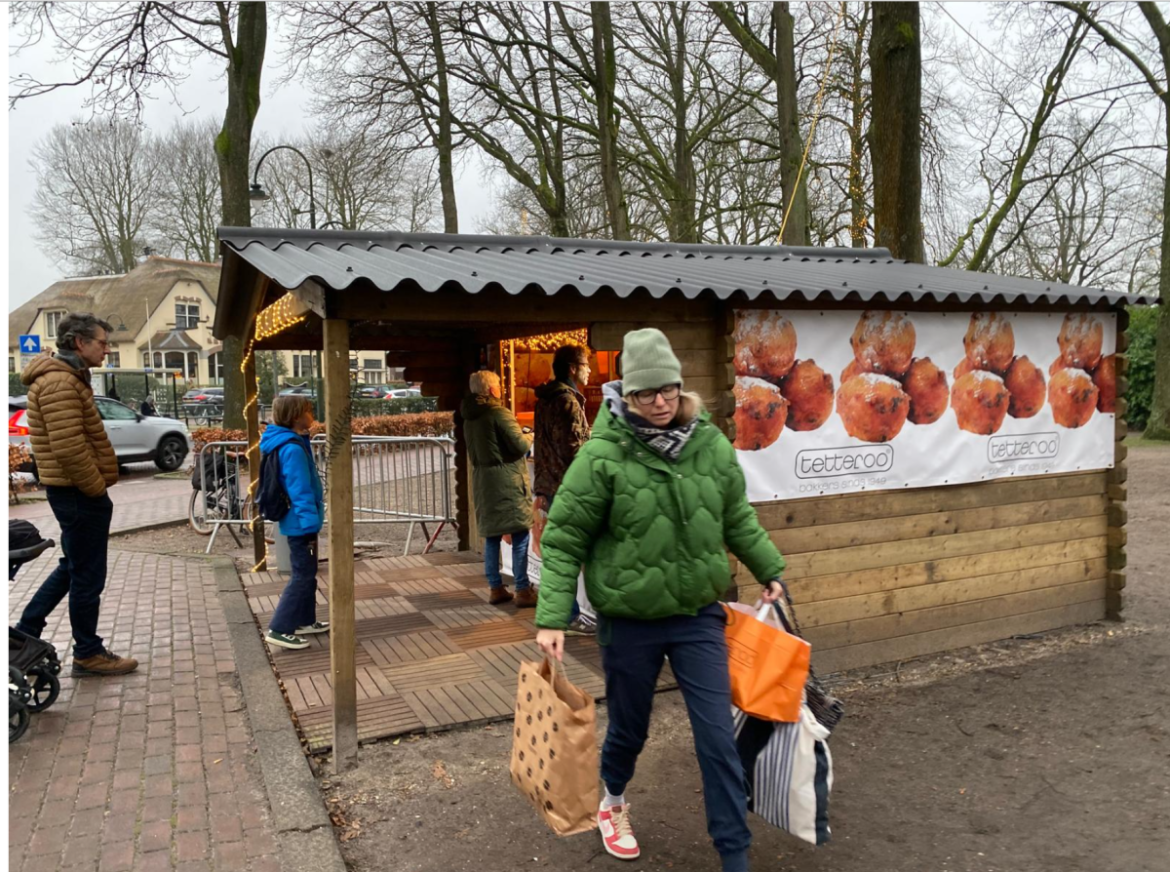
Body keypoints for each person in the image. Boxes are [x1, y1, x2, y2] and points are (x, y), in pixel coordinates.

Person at [534, 328, 787, 872]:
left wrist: (769, 568)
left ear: (680, 385)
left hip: (697, 615)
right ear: (627, 394)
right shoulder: (602, 456)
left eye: (668, 389)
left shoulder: (709, 445)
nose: (660, 402)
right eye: (646, 393)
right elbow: (564, 538)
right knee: (631, 728)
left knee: (717, 737)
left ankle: (734, 856)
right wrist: (552, 617)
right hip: (629, 621)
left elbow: (735, 517)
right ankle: (613, 801)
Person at [15, 313, 138, 676]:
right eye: (101, 342)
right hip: (77, 494)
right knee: (88, 576)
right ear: (79, 343)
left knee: (73, 568)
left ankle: (25, 633)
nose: (107, 348)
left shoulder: (67, 378)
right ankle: (87, 652)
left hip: (73, 492)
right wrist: (95, 487)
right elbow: (68, 448)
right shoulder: (60, 383)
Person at [533, 344, 595, 635]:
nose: (590, 369)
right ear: (572, 368)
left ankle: (564, 613)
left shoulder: (545, 399)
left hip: (549, 484)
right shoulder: (567, 402)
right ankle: (573, 615)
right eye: (586, 364)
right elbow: (573, 450)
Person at [461, 370, 537, 607]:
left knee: (492, 536)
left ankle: (496, 588)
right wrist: (530, 435)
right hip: (507, 481)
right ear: (492, 389)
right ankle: (523, 590)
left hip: (483, 480)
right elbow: (519, 443)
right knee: (521, 533)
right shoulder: (498, 413)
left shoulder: (468, 416)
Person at [259, 395, 329, 650]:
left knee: (307, 574)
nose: (312, 415)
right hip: (301, 523)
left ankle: (304, 620)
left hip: (298, 521)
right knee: (301, 575)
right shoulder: (292, 448)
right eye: (308, 410)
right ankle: (279, 628)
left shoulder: (292, 442)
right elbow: (299, 489)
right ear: (296, 415)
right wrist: (310, 523)